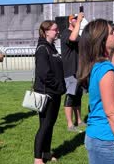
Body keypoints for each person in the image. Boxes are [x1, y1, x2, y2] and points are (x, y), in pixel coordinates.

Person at [78, 19, 114, 164]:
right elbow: (111, 113)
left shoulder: (105, 65)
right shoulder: (105, 70)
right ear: (101, 40)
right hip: (108, 142)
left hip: (111, 139)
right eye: (112, 33)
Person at [33, 20, 66, 164]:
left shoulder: (51, 48)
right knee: (45, 125)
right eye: (54, 29)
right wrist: (58, 87)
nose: (57, 31)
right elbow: (44, 74)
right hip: (47, 93)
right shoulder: (42, 48)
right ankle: (37, 158)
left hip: (55, 92)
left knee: (50, 124)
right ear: (46, 31)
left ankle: (46, 152)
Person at [60, 13, 85, 132]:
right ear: (70, 21)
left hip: (78, 70)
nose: (78, 20)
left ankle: (79, 120)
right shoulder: (66, 33)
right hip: (70, 70)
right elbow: (73, 38)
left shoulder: (77, 33)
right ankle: (70, 124)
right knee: (70, 96)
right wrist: (79, 21)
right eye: (75, 19)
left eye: (78, 18)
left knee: (77, 96)